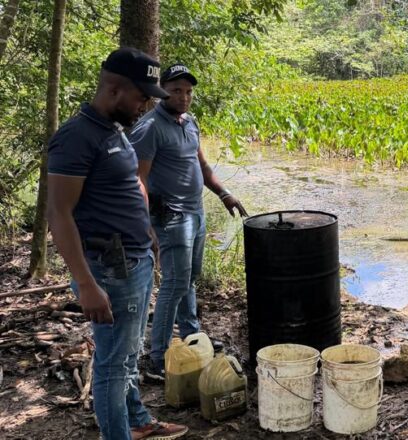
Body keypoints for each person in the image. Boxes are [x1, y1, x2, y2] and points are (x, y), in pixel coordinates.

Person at [47, 47, 188, 439]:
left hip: (135, 261)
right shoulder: (75, 138)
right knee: (112, 364)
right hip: (109, 269)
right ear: (114, 90)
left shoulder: (114, 130)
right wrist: (87, 284)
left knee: (128, 357)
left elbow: (128, 188)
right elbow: (58, 214)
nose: (146, 104)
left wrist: (149, 236)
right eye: (142, 96)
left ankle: (138, 421)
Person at [129, 63, 247, 380]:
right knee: (174, 283)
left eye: (189, 91)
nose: (184, 96)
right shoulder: (151, 127)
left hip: (195, 212)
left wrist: (225, 194)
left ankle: (193, 339)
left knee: (189, 278)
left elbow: (204, 167)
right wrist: (146, 225)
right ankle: (159, 355)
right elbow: (137, 179)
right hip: (170, 217)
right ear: (162, 91)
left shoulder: (189, 122)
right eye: (176, 90)